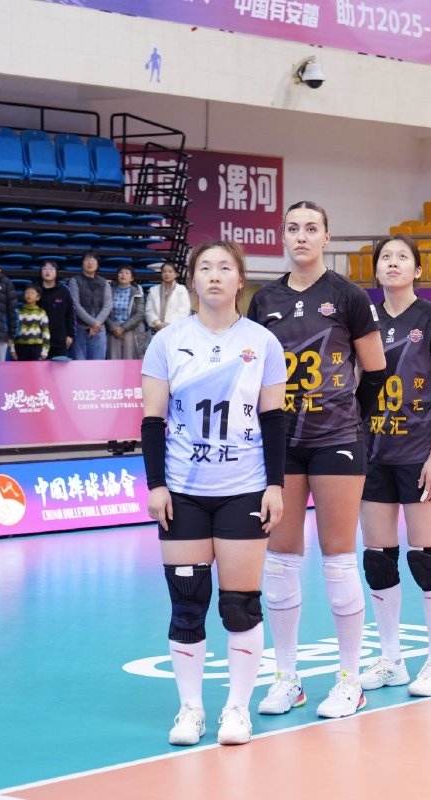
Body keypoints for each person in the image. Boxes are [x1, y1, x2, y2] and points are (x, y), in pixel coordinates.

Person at [140, 240, 287, 747]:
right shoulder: (167, 342)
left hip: (244, 488)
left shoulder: (263, 343)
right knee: (186, 605)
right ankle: (190, 710)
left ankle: (237, 709)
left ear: (240, 279)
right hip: (183, 491)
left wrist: (275, 485)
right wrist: (156, 484)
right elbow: (153, 421)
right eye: (205, 267)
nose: (215, 275)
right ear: (193, 281)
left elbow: (274, 420)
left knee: (239, 605)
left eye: (226, 267)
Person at [247, 201, 386, 719]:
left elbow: (375, 372)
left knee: (338, 557)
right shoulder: (265, 300)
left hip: (337, 439)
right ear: (283, 237)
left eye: (311, 228)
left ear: (327, 238)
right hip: (282, 442)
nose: (301, 236)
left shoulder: (349, 296)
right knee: (281, 557)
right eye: (293, 228)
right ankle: (287, 678)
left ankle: (350, 680)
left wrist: (350, 419)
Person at [357, 236, 431, 699]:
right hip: (373, 452)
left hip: (418, 453)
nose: (392, 263)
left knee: (426, 558)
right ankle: (391, 659)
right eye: (385, 257)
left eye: (402, 257)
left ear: (417, 269)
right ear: (376, 270)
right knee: (378, 559)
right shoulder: (364, 318)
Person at [68, 252, 112, 360]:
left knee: (98, 365)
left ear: (97, 264)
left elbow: (108, 305)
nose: (90, 262)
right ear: (82, 263)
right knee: (79, 365)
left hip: (99, 329)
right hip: (80, 329)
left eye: (93, 260)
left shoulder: (104, 282)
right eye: (87, 259)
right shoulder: (74, 281)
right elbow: (75, 305)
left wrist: (97, 323)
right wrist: (93, 323)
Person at [34, 260, 74, 359]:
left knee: (58, 367)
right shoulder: (35, 290)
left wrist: (70, 335)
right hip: (38, 339)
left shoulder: (64, 291)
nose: (47, 271)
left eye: (51, 269)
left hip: (59, 339)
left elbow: (70, 314)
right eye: (45, 268)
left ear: (56, 272)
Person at [106, 265, 146, 360]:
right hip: (114, 329)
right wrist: (114, 328)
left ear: (132, 278)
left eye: (127, 273)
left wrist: (123, 328)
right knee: (113, 358)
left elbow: (139, 314)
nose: (123, 275)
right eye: (121, 273)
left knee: (129, 358)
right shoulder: (109, 291)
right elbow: (105, 311)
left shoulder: (137, 293)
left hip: (131, 328)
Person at [146, 263, 192, 336]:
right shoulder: (154, 290)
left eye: (170, 272)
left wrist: (168, 324)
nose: (167, 274)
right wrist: (158, 324)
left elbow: (184, 310)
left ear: (176, 274)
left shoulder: (181, 290)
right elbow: (149, 310)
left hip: (174, 330)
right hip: (156, 329)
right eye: (164, 271)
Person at [11, 285, 49, 361]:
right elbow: (12, 331)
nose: (29, 295)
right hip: (20, 347)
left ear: (38, 297)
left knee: (35, 368)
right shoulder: (17, 312)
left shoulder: (41, 312)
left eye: (32, 293)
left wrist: (45, 351)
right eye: (27, 292)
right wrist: (12, 350)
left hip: (36, 347)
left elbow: (46, 333)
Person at [0, 264, 12, 362]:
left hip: (1, 335)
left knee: (0, 367)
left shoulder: (6, 282)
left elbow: (12, 309)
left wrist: (12, 334)